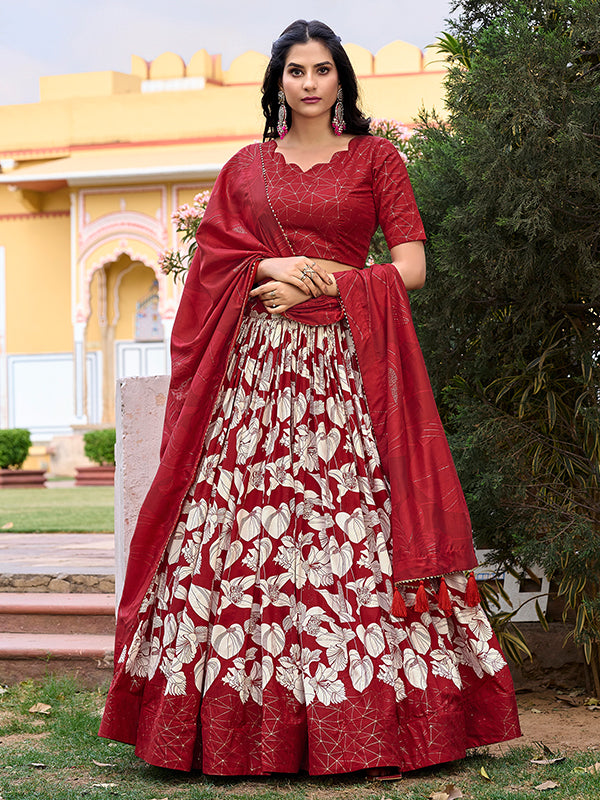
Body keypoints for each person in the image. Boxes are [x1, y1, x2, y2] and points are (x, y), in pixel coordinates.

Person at [99, 19, 521, 776]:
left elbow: (412, 266)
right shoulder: (246, 167)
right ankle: (225, 725)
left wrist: (329, 279)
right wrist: (273, 269)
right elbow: (213, 266)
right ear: (279, 81)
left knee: (349, 532)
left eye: (322, 69)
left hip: (344, 369)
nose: (310, 83)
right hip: (255, 375)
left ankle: (374, 725)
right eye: (296, 71)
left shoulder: (377, 159)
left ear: (341, 80)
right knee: (239, 533)